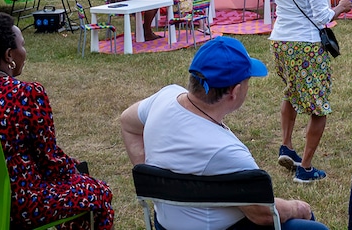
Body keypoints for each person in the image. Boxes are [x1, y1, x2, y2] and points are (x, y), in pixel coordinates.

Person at [119, 37, 328, 229]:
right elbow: (263, 213)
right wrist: (298, 208)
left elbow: (127, 122)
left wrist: (149, 173)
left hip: (165, 224)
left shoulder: (164, 98)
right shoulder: (226, 151)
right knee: (312, 226)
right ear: (234, 91)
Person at [0, 13, 114, 230]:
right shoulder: (27, 93)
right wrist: (74, 170)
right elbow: (49, 161)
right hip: (17, 204)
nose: (25, 52)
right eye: (23, 45)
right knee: (98, 192)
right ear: (8, 55)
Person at [263, 0, 352, 183]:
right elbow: (321, 16)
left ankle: (287, 146)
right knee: (318, 107)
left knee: (291, 92)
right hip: (307, 46)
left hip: (281, 41)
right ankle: (306, 168)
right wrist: (342, 7)